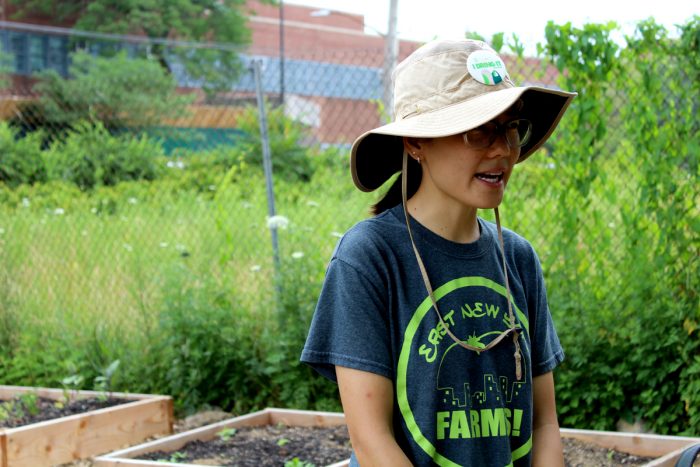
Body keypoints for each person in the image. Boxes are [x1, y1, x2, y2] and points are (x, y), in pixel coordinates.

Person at [301, 38, 576, 466]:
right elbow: (372, 442)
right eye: (478, 129)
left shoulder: (518, 258)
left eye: (509, 128)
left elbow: (543, 426)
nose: (502, 149)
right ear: (415, 143)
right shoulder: (369, 257)